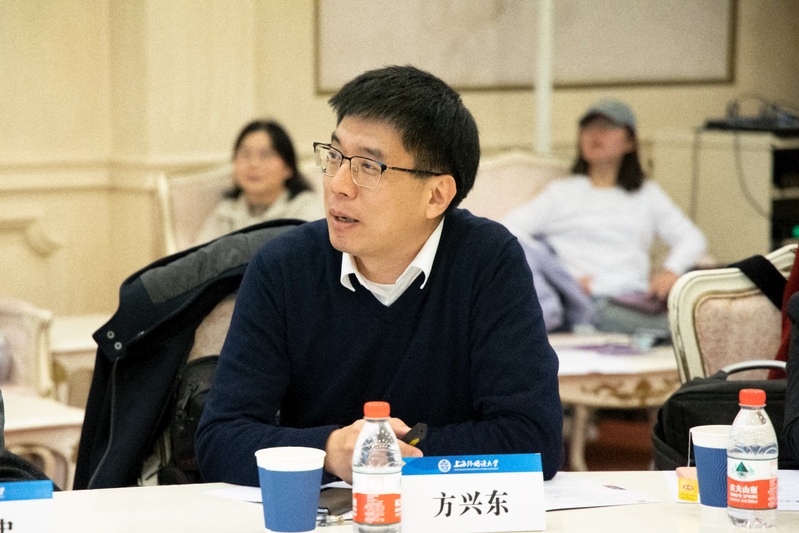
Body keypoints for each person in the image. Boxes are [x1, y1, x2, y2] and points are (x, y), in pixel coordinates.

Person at [195, 65, 563, 486]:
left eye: (368, 167)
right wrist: (329, 450)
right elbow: (220, 439)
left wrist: (384, 455)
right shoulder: (282, 268)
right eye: (335, 157)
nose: (338, 185)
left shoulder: (488, 262)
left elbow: (533, 439)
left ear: (436, 195)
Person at [503, 99, 707, 334]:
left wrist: (672, 271)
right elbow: (508, 231)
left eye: (607, 127)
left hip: (631, 298)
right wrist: (561, 278)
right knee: (688, 328)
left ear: (630, 142)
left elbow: (692, 238)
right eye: (588, 127)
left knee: (697, 321)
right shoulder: (562, 192)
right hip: (584, 299)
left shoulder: (647, 194)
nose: (595, 134)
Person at [195, 119, 323, 245]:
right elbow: (200, 256)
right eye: (245, 154)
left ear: (288, 168)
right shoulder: (225, 213)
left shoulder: (304, 209)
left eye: (266, 155)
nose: (254, 164)